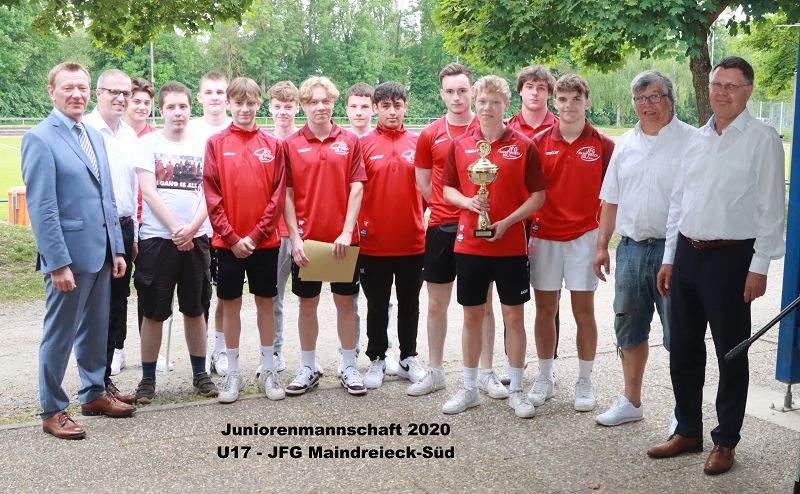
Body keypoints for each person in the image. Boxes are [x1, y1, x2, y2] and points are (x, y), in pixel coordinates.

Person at [648, 56, 785, 475]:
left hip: (732, 259)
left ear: (748, 91)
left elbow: (771, 209)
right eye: (716, 84)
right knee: (683, 348)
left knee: (731, 352)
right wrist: (670, 257)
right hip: (688, 254)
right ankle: (687, 430)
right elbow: (679, 202)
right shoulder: (697, 138)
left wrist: (759, 266)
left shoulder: (762, 139)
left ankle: (726, 441)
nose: (722, 93)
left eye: (731, 86)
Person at [22, 62, 135, 439]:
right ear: (51, 92)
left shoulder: (94, 136)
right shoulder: (40, 138)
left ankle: (93, 393)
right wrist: (57, 263)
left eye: (82, 88)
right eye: (68, 87)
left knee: (95, 329)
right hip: (68, 258)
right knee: (60, 335)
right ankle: (53, 410)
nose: (77, 94)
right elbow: (42, 208)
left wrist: (116, 249)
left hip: (101, 253)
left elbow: (107, 197)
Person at [441, 75, 546, 418]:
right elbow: (447, 189)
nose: (487, 108)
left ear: (506, 105)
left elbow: (538, 196)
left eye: (495, 102)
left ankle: (516, 389)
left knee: (514, 317)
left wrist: (509, 222)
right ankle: (470, 387)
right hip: (470, 244)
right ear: (476, 102)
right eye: (482, 102)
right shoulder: (460, 145)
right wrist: (469, 203)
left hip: (510, 245)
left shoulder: (524, 145)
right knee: (472, 316)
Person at [593, 71, 694, 427]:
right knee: (629, 327)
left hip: (676, 252)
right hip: (631, 250)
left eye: (655, 97)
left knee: (679, 333)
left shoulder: (692, 141)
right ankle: (631, 401)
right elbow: (611, 199)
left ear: (670, 99)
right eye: (640, 99)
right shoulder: (625, 144)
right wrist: (602, 246)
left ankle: (684, 412)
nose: (648, 105)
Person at [410, 63, 506, 400]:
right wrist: (447, 205)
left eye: (463, 91)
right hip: (441, 226)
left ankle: (487, 372)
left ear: (473, 92)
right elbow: (423, 181)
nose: (457, 97)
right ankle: (435, 372)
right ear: (442, 94)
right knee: (436, 305)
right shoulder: (430, 133)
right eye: (450, 91)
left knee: (483, 306)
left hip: (479, 229)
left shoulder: (488, 129)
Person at [528, 74, 614, 412]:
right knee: (545, 311)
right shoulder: (537, 142)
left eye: (576, 99)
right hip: (545, 236)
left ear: (587, 102)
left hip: (584, 237)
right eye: (562, 99)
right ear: (555, 102)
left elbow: (612, 198)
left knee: (583, 311)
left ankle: (584, 380)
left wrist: (602, 243)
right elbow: (528, 192)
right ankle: (544, 376)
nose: (569, 105)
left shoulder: (603, 145)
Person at [133, 81, 219, 404]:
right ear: (162, 110)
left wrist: (192, 229)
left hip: (196, 238)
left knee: (195, 309)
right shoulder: (149, 144)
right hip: (158, 238)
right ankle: (147, 378)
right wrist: (175, 229)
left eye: (183, 106)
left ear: (190, 108)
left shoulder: (204, 144)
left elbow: (210, 192)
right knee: (154, 311)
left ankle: (200, 373)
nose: (178, 112)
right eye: (171, 107)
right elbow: (148, 190)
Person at [282, 76, 368, 396]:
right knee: (308, 304)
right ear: (303, 104)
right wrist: (295, 238)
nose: (320, 107)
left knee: (345, 303)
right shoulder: (291, 144)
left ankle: (348, 365)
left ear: (333, 103)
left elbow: (357, 187)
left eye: (326, 101)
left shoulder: (350, 141)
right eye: (313, 101)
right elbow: (287, 194)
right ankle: (307, 366)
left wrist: (346, 232)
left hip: (341, 241)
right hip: (308, 241)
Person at [204, 77, 287, 403]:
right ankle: (233, 372)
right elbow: (212, 194)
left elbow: (277, 197)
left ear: (259, 104)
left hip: (264, 243)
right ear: (229, 104)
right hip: (228, 245)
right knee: (231, 304)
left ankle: (268, 369)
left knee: (266, 302)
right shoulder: (216, 144)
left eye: (250, 103)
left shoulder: (273, 145)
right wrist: (232, 236)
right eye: (238, 103)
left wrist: (254, 235)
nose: (245, 109)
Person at [358, 82, 426, 389]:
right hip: (374, 243)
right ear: (375, 108)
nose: (392, 111)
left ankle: (408, 357)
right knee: (377, 305)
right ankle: (377, 358)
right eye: (385, 106)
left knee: (410, 303)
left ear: (405, 107)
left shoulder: (418, 143)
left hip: (412, 241)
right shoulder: (363, 145)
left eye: (397, 105)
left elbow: (428, 190)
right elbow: (354, 192)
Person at [83, 69, 139, 403]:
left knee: (116, 305)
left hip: (124, 228)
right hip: (96, 229)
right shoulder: (85, 130)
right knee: (95, 310)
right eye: (113, 92)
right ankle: (92, 387)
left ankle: (103, 383)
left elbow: (130, 188)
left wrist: (133, 235)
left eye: (125, 93)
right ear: (98, 93)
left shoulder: (130, 134)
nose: (120, 98)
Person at [502, 64, 560, 383]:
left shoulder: (562, 126)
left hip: (550, 222)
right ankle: (513, 361)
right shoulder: (507, 128)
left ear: (549, 93)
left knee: (548, 298)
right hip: (514, 222)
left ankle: (547, 365)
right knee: (511, 297)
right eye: (529, 87)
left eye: (541, 88)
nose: (535, 93)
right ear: (520, 91)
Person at [344, 82, 397, 376]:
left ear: (373, 109)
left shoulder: (383, 141)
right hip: (348, 233)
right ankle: (348, 355)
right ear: (346, 109)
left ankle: (385, 351)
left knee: (381, 299)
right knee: (347, 297)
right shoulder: (343, 142)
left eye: (365, 106)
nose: (360, 112)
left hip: (377, 235)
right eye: (354, 106)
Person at [188, 71, 232, 378]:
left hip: (227, 225)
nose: (215, 97)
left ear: (228, 98)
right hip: (198, 225)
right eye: (210, 92)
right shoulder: (190, 130)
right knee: (200, 294)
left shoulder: (234, 128)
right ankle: (200, 351)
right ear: (200, 97)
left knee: (225, 294)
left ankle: (221, 348)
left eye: (220, 92)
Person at [264, 80, 301, 377]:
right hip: (274, 232)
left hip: (304, 231)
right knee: (273, 297)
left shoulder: (304, 140)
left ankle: (310, 359)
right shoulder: (264, 143)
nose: (283, 112)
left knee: (310, 299)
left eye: (288, 106)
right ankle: (274, 352)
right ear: (270, 107)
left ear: (297, 107)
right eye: (278, 106)